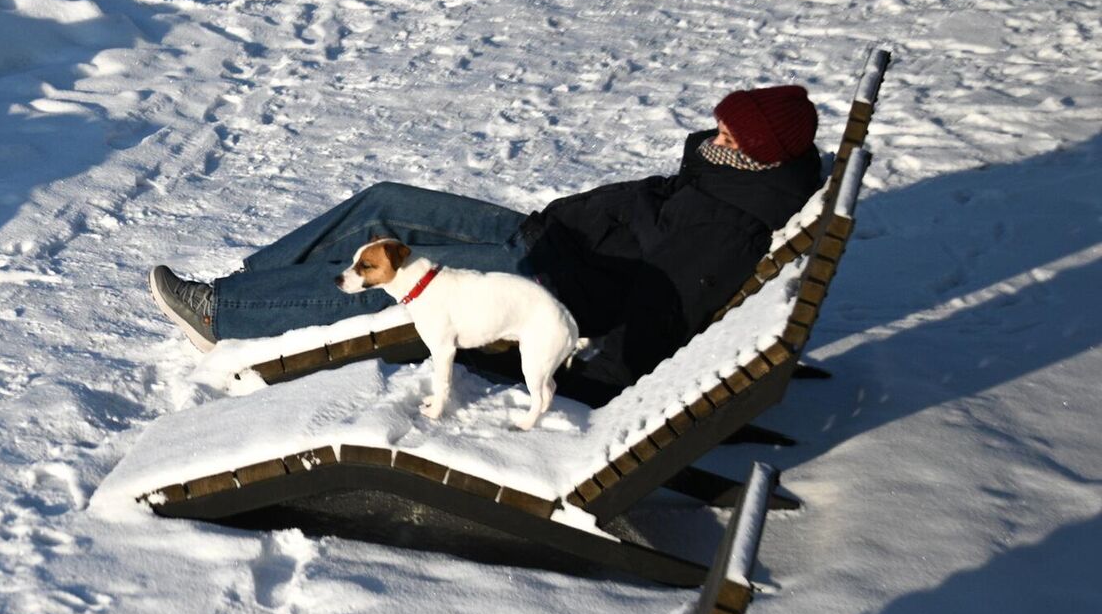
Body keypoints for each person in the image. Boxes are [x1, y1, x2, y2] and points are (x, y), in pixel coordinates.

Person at [150, 84, 823, 386]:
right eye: (721, 125)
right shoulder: (729, 178)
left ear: (763, 154)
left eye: (731, 135)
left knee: (399, 279)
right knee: (384, 202)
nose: (715, 136)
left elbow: (666, 304)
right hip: (547, 240)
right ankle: (246, 290)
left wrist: (591, 380)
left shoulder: (729, 219)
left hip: (547, 284)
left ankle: (224, 315)